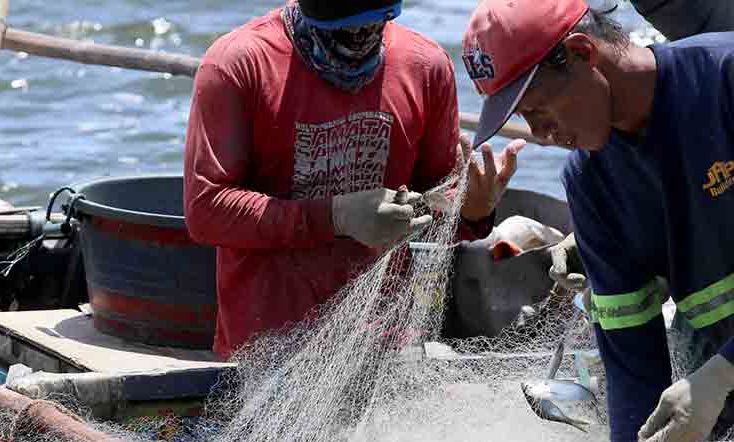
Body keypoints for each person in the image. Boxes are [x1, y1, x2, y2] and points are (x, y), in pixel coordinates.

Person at [463, 0, 734, 442]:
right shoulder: (591, 185)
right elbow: (634, 370)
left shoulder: (724, 78)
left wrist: (723, 372)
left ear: (582, 52)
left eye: (538, 109)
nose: (542, 135)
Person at [183, 0, 524, 359]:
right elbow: (207, 211)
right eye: (343, 27)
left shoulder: (425, 67)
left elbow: (436, 208)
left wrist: (472, 212)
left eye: (375, 21)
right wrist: (336, 216)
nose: (359, 36)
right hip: (266, 345)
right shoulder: (238, 64)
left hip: (385, 343)